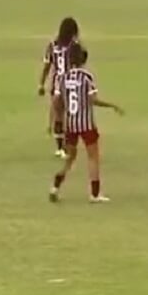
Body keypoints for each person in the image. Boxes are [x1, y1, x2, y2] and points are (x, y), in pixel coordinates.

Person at [50, 43, 124, 203]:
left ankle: (55, 186)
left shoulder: (63, 78)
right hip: (86, 124)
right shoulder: (86, 77)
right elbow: (93, 100)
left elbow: (57, 101)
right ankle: (95, 194)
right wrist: (111, 105)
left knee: (70, 158)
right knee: (93, 157)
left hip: (70, 124)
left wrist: (59, 117)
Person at [38, 16, 80, 159]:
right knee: (70, 116)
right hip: (71, 84)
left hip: (56, 85)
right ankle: (68, 146)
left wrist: (41, 84)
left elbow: (46, 66)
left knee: (58, 116)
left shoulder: (52, 44)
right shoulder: (74, 45)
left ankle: (60, 148)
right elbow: (79, 64)